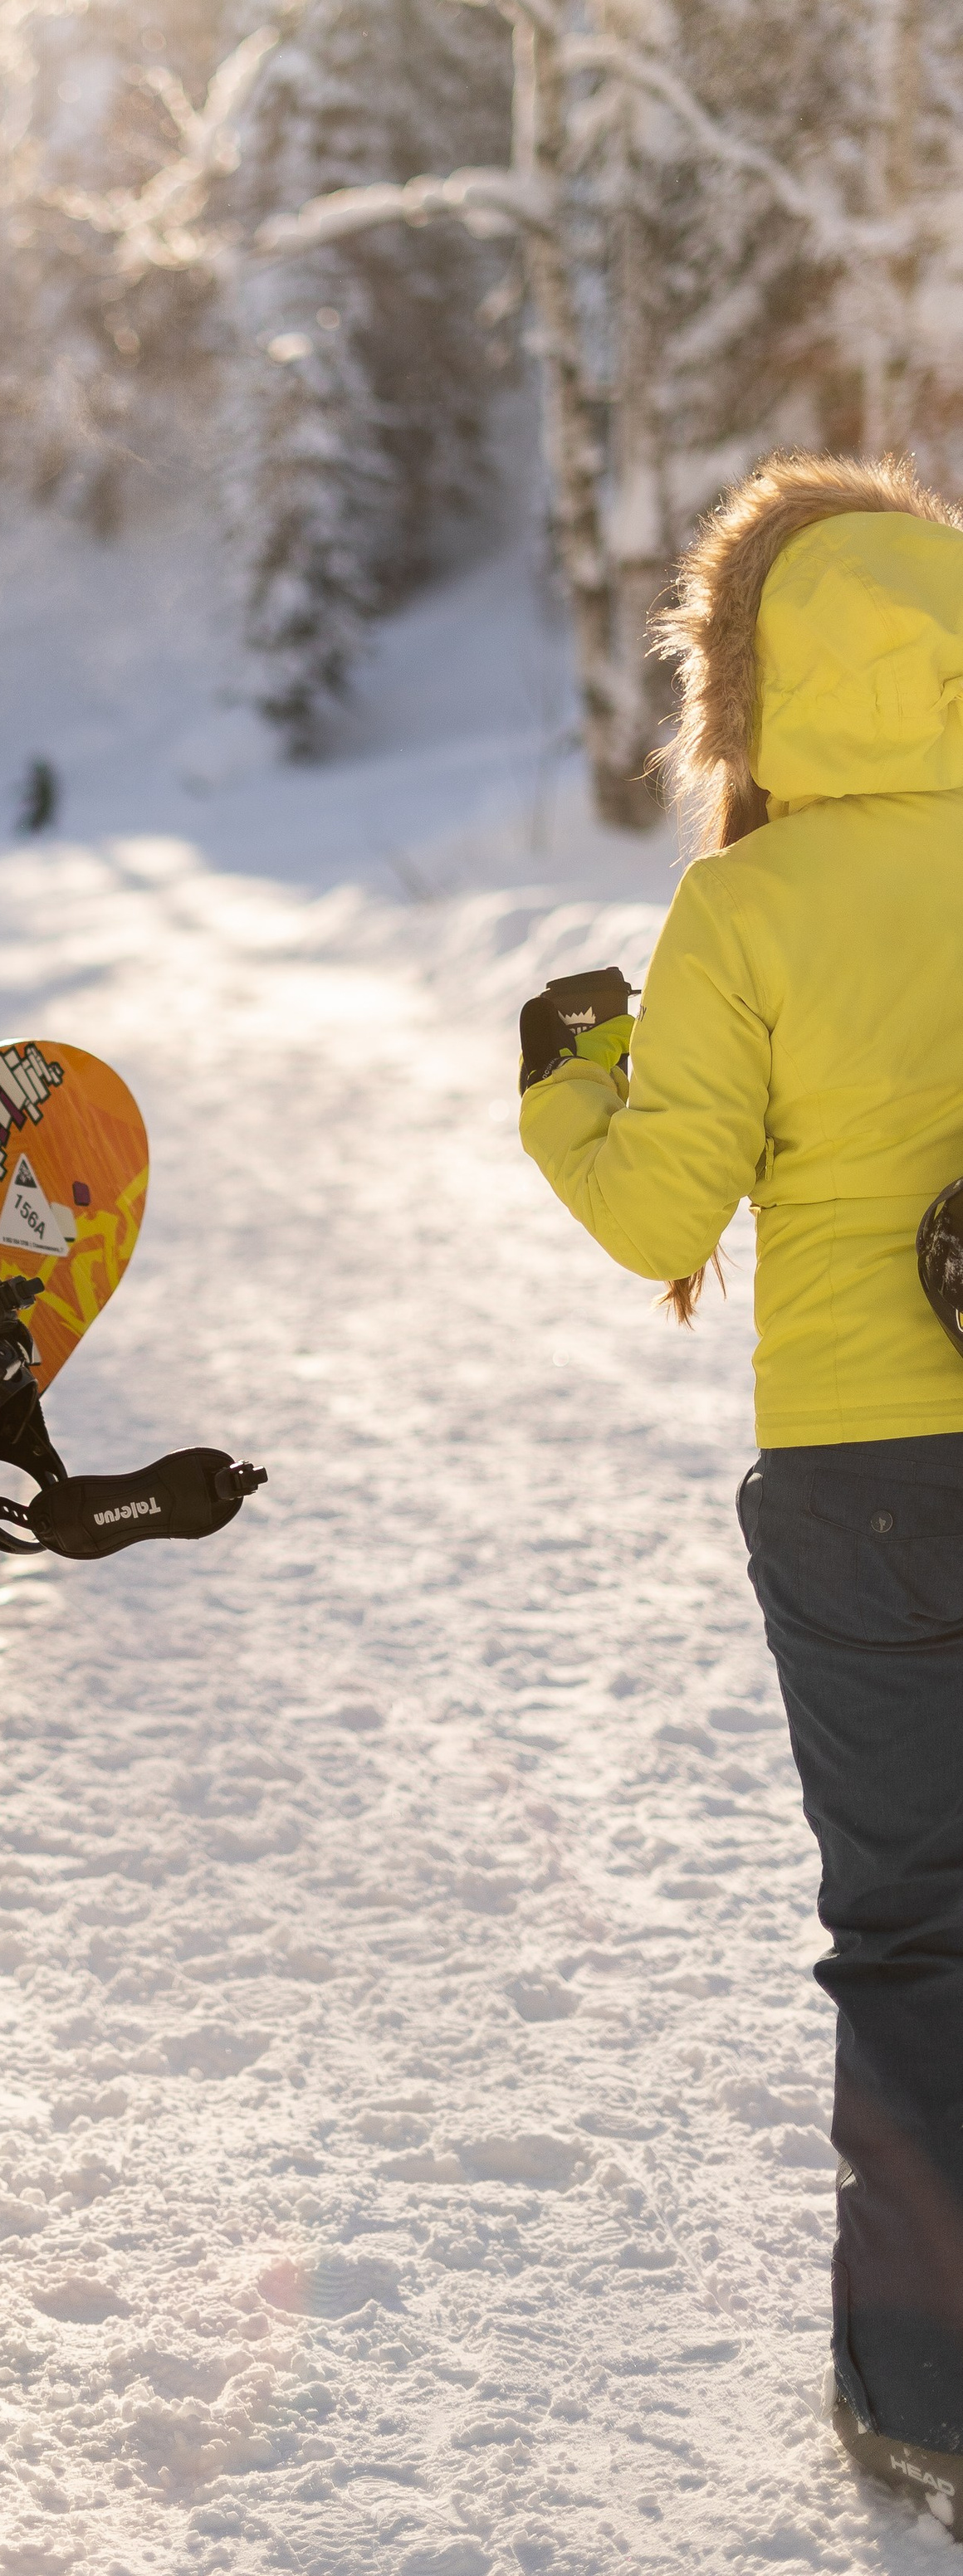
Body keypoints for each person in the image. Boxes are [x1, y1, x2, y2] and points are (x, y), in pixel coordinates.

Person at [516, 451, 963, 2529]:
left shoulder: (745, 900)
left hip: (862, 1470)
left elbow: (653, 1210)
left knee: (908, 1932)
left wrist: (561, 1084)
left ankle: (931, 2397)